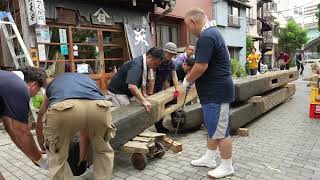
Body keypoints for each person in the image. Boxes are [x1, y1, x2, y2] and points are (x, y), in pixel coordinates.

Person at [184, 8, 235, 179]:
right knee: (213, 127)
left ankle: (227, 166)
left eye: (187, 26)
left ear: (193, 22)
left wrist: (187, 80)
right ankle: (209, 158)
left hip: (217, 92)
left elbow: (200, 66)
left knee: (221, 131)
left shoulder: (206, 37)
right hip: (213, 92)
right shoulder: (212, 33)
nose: (188, 30)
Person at [36, 73, 116, 180]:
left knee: (57, 156)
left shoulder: (53, 83)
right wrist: (81, 161)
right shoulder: (88, 81)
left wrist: (44, 146)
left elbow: (41, 116)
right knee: (103, 149)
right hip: (98, 105)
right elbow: (85, 132)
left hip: (63, 106)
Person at [0, 66, 48, 179]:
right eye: (37, 91)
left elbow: (9, 126)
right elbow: (19, 131)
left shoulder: (6, 81)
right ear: (34, 84)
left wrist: (34, 156)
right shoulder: (18, 86)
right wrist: (41, 160)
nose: (35, 95)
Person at [108, 47, 164, 112]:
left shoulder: (145, 63)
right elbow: (132, 86)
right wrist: (144, 100)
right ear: (149, 57)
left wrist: (144, 95)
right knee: (127, 113)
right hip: (118, 92)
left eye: (157, 65)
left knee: (138, 108)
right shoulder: (137, 65)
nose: (155, 67)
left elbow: (142, 81)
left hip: (128, 92)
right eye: (155, 64)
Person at [149, 42, 180, 133]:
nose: (171, 56)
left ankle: (159, 126)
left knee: (163, 105)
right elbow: (152, 76)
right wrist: (151, 91)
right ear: (164, 52)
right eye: (169, 53)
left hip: (161, 86)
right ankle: (154, 126)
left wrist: (177, 90)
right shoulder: (158, 61)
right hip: (152, 85)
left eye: (173, 54)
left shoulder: (171, 63)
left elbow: (174, 77)